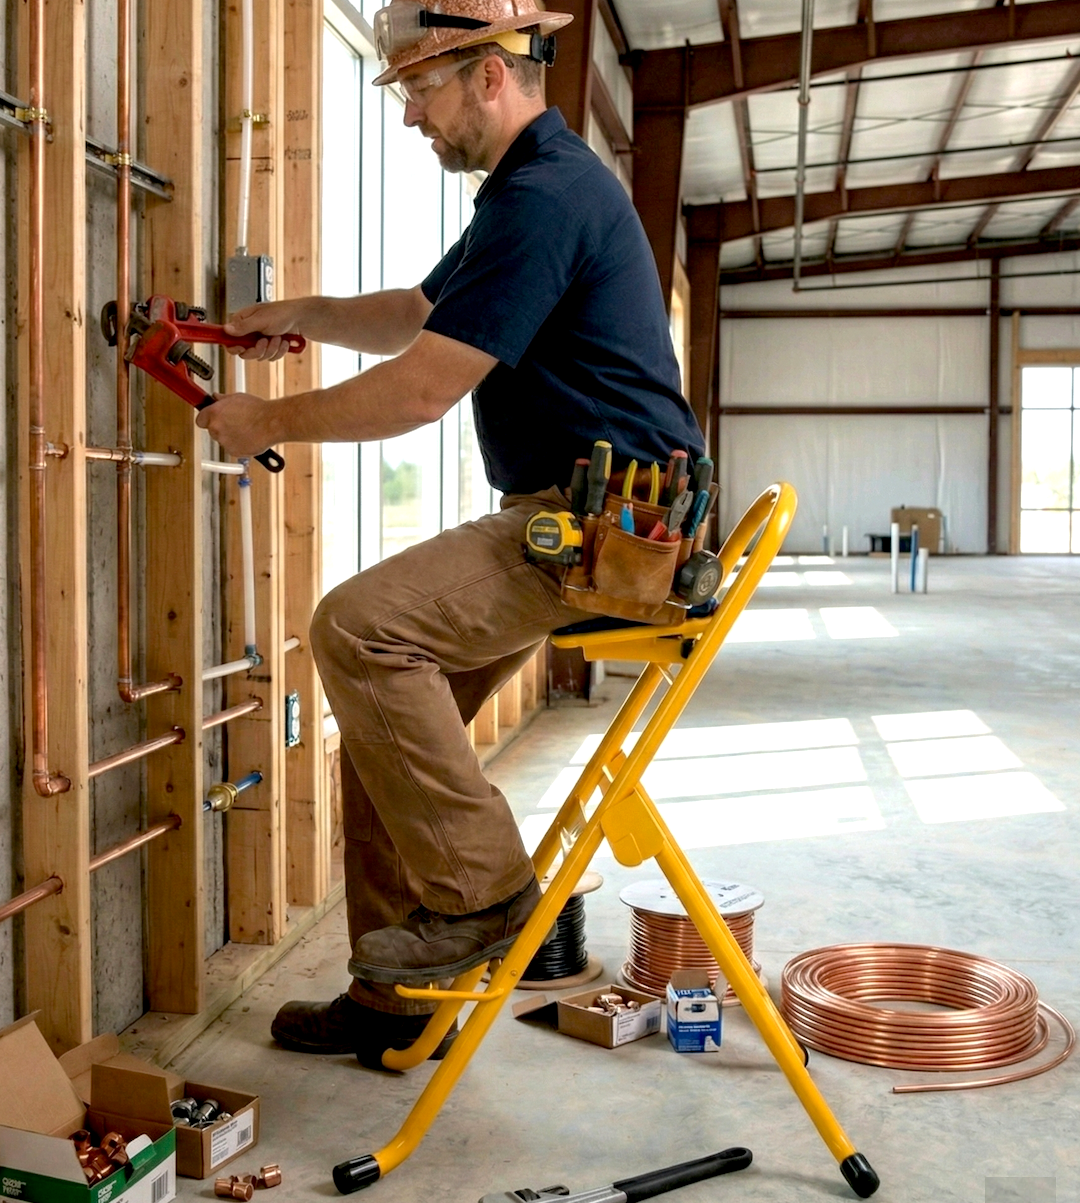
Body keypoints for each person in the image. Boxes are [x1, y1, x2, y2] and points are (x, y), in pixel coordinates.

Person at [196, 0, 705, 1068]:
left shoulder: (546, 197)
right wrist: (294, 315)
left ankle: (486, 895)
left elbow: (425, 387)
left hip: (601, 531)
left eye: (421, 90)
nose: (412, 118)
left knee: (356, 629)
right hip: (582, 518)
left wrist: (264, 423)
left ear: (489, 75)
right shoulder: (528, 191)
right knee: (388, 745)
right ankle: (395, 998)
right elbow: (419, 316)